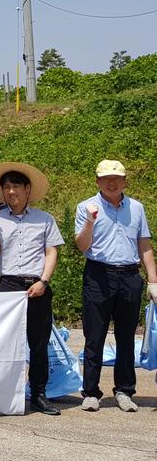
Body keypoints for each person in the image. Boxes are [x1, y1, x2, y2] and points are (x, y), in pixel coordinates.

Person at [74, 159, 157, 413]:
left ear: (125, 181)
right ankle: (90, 392)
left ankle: (124, 390)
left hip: (130, 275)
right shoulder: (86, 206)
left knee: (126, 335)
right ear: (97, 181)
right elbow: (82, 246)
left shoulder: (137, 208)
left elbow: (144, 244)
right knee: (94, 335)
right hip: (98, 274)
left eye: (117, 178)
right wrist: (89, 221)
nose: (112, 182)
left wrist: (153, 280)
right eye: (106, 178)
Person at [0, 162, 62, 416]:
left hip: (37, 284)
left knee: (38, 343)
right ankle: (4, 394)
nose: (11, 192)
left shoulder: (44, 219)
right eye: (6, 187)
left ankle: (38, 394)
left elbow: (51, 251)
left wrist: (44, 281)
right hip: (8, 285)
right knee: (6, 343)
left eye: (16, 186)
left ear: (27, 189)